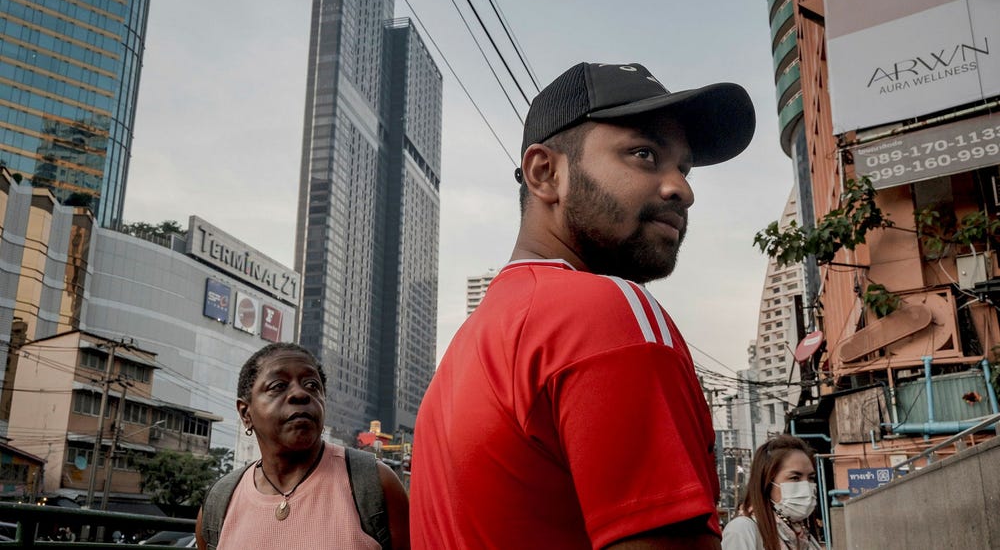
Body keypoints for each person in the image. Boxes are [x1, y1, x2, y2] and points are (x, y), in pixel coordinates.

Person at [410, 62, 755, 549]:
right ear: (545, 173)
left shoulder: (469, 349)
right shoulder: (606, 313)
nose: (682, 188)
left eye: (684, 166)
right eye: (644, 153)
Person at [194, 342, 410, 550]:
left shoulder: (374, 484)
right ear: (245, 413)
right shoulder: (219, 503)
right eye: (278, 386)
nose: (300, 394)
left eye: (312, 385)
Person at [721, 435, 822, 550]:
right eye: (794, 478)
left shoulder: (802, 535)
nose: (806, 486)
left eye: (811, 478)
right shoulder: (743, 530)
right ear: (767, 481)